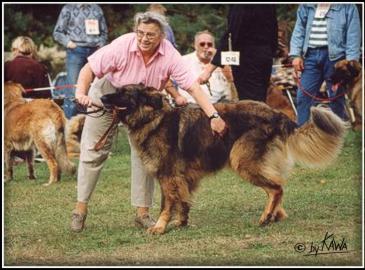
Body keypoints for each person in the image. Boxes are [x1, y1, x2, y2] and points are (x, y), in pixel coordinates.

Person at [71, 11, 227, 232]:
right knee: (93, 151)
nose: (144, 39)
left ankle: (143, 213)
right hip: (110, 93)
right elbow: (88, 69)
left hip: (141, 104)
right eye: (140, 33)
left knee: (148, 157)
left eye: (150, 35)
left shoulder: (169, 54)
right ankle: (80, 209)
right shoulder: (121, 45)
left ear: (162, 35)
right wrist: (81, 93)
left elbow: (192, 86)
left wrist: (213, 116)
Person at [289, 4, 361, 126]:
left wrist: (351, 62)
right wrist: (295, 55)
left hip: (336, 59)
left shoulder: (348, 7)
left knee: (336, 98)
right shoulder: (306, 6)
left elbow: (353, 35)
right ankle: (303, 135)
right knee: (303, 97)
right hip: (310, 57)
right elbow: (299, 30)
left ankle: (339, 135)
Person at [199, 4, 278, 102]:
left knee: (250, 105)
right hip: (265, 56)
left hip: (248, 59)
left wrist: (209, 69)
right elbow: (274, 28)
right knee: (259, 102)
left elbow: (232, 35)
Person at [53, 4, 108, 119]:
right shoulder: (68, 8)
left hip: (95, 52)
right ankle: (69, 123)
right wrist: (69, 44)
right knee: (73, 88)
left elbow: (104, 32)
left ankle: (89, 122)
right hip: (75, 51)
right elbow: (57, 32)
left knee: (94, 88)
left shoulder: (97, 8)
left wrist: (101, 45)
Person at [177, 30, 233, 104]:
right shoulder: (183, 60)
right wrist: (177, 96)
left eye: (209, 44)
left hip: (219, 104)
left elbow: (231, 79)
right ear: (195, 45)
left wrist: (218, 57)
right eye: (202, 44)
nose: (206, 47)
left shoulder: (222, 61)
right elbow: (167, 79)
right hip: (191, 104)